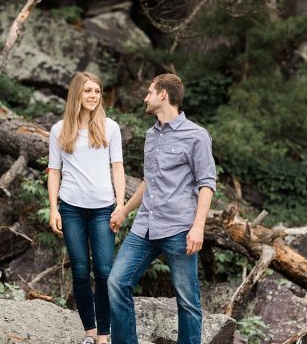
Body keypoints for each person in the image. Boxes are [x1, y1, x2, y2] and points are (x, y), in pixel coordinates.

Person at [108, 73, 216, 344]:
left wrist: (198, 227)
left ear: (163, 95)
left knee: (187, 301)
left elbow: (206, 184)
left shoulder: (196, 136)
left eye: (149, 92)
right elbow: (149, 182)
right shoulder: (151, 134)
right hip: (144, 226)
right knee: (116, 282)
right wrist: (125, 211)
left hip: (179, 229)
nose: (145, 98)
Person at [48, 72, 125, 344]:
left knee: (104, 272)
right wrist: (53, 208)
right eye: (88, 91)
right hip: (70, 209)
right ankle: (90, 334)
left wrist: (121, 205)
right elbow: (54, 171)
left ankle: (105, 335)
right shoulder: (60, 130)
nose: (93, 95)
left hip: (104, 209)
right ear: (76, 95)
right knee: (80, 271)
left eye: (97, 91)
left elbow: (118, 168)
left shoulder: (110, 127)